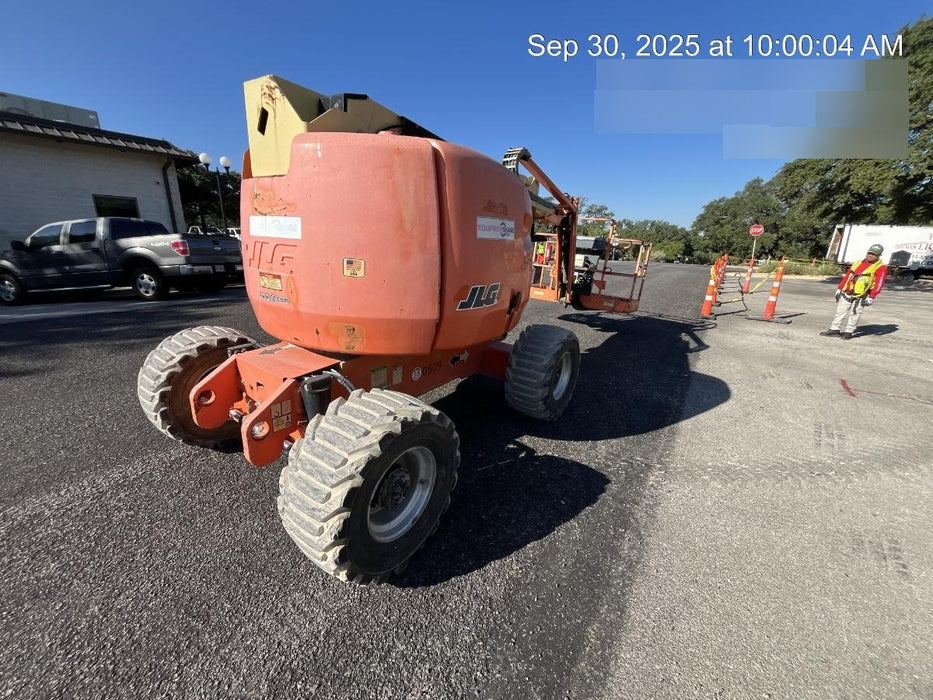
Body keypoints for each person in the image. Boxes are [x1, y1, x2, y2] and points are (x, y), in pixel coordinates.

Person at [820, 243, 887, 340]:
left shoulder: (880, 267)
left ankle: (848, 332)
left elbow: (879, 283)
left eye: (874, 254)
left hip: (862, 294)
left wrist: (872, 296)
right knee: (840, 311)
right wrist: (840, 288)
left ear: (879, 256)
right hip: (848, 291)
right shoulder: (858, 262)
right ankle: (834, 329)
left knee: (855, 313)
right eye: (869, 253)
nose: (870, 255)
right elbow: (848, 276)